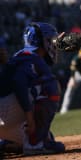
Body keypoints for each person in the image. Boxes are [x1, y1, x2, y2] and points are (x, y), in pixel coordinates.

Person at [0, 23, 68, 155]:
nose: (54, 44)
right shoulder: (31, 58)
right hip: (6, 112)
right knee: (51, 84)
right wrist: (29, 117)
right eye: (51, 40)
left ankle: (5, 143)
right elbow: (19, 82)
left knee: (48, 136)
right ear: (43, 41)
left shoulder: (23, 55)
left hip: (4, 118)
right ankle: (36, 144)